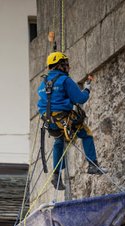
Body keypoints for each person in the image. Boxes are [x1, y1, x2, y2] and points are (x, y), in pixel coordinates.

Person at [37, 51, 105, 190]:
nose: (69, 68)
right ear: (60, 66)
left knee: (59, 141)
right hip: (63, 118)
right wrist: (87, 89)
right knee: (86, 134)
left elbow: (48, 101)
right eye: (67, 65)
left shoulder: (42, 84)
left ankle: (56, 175)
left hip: (49, 121)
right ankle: (93, 165)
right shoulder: (65, 80)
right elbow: (80, 99)